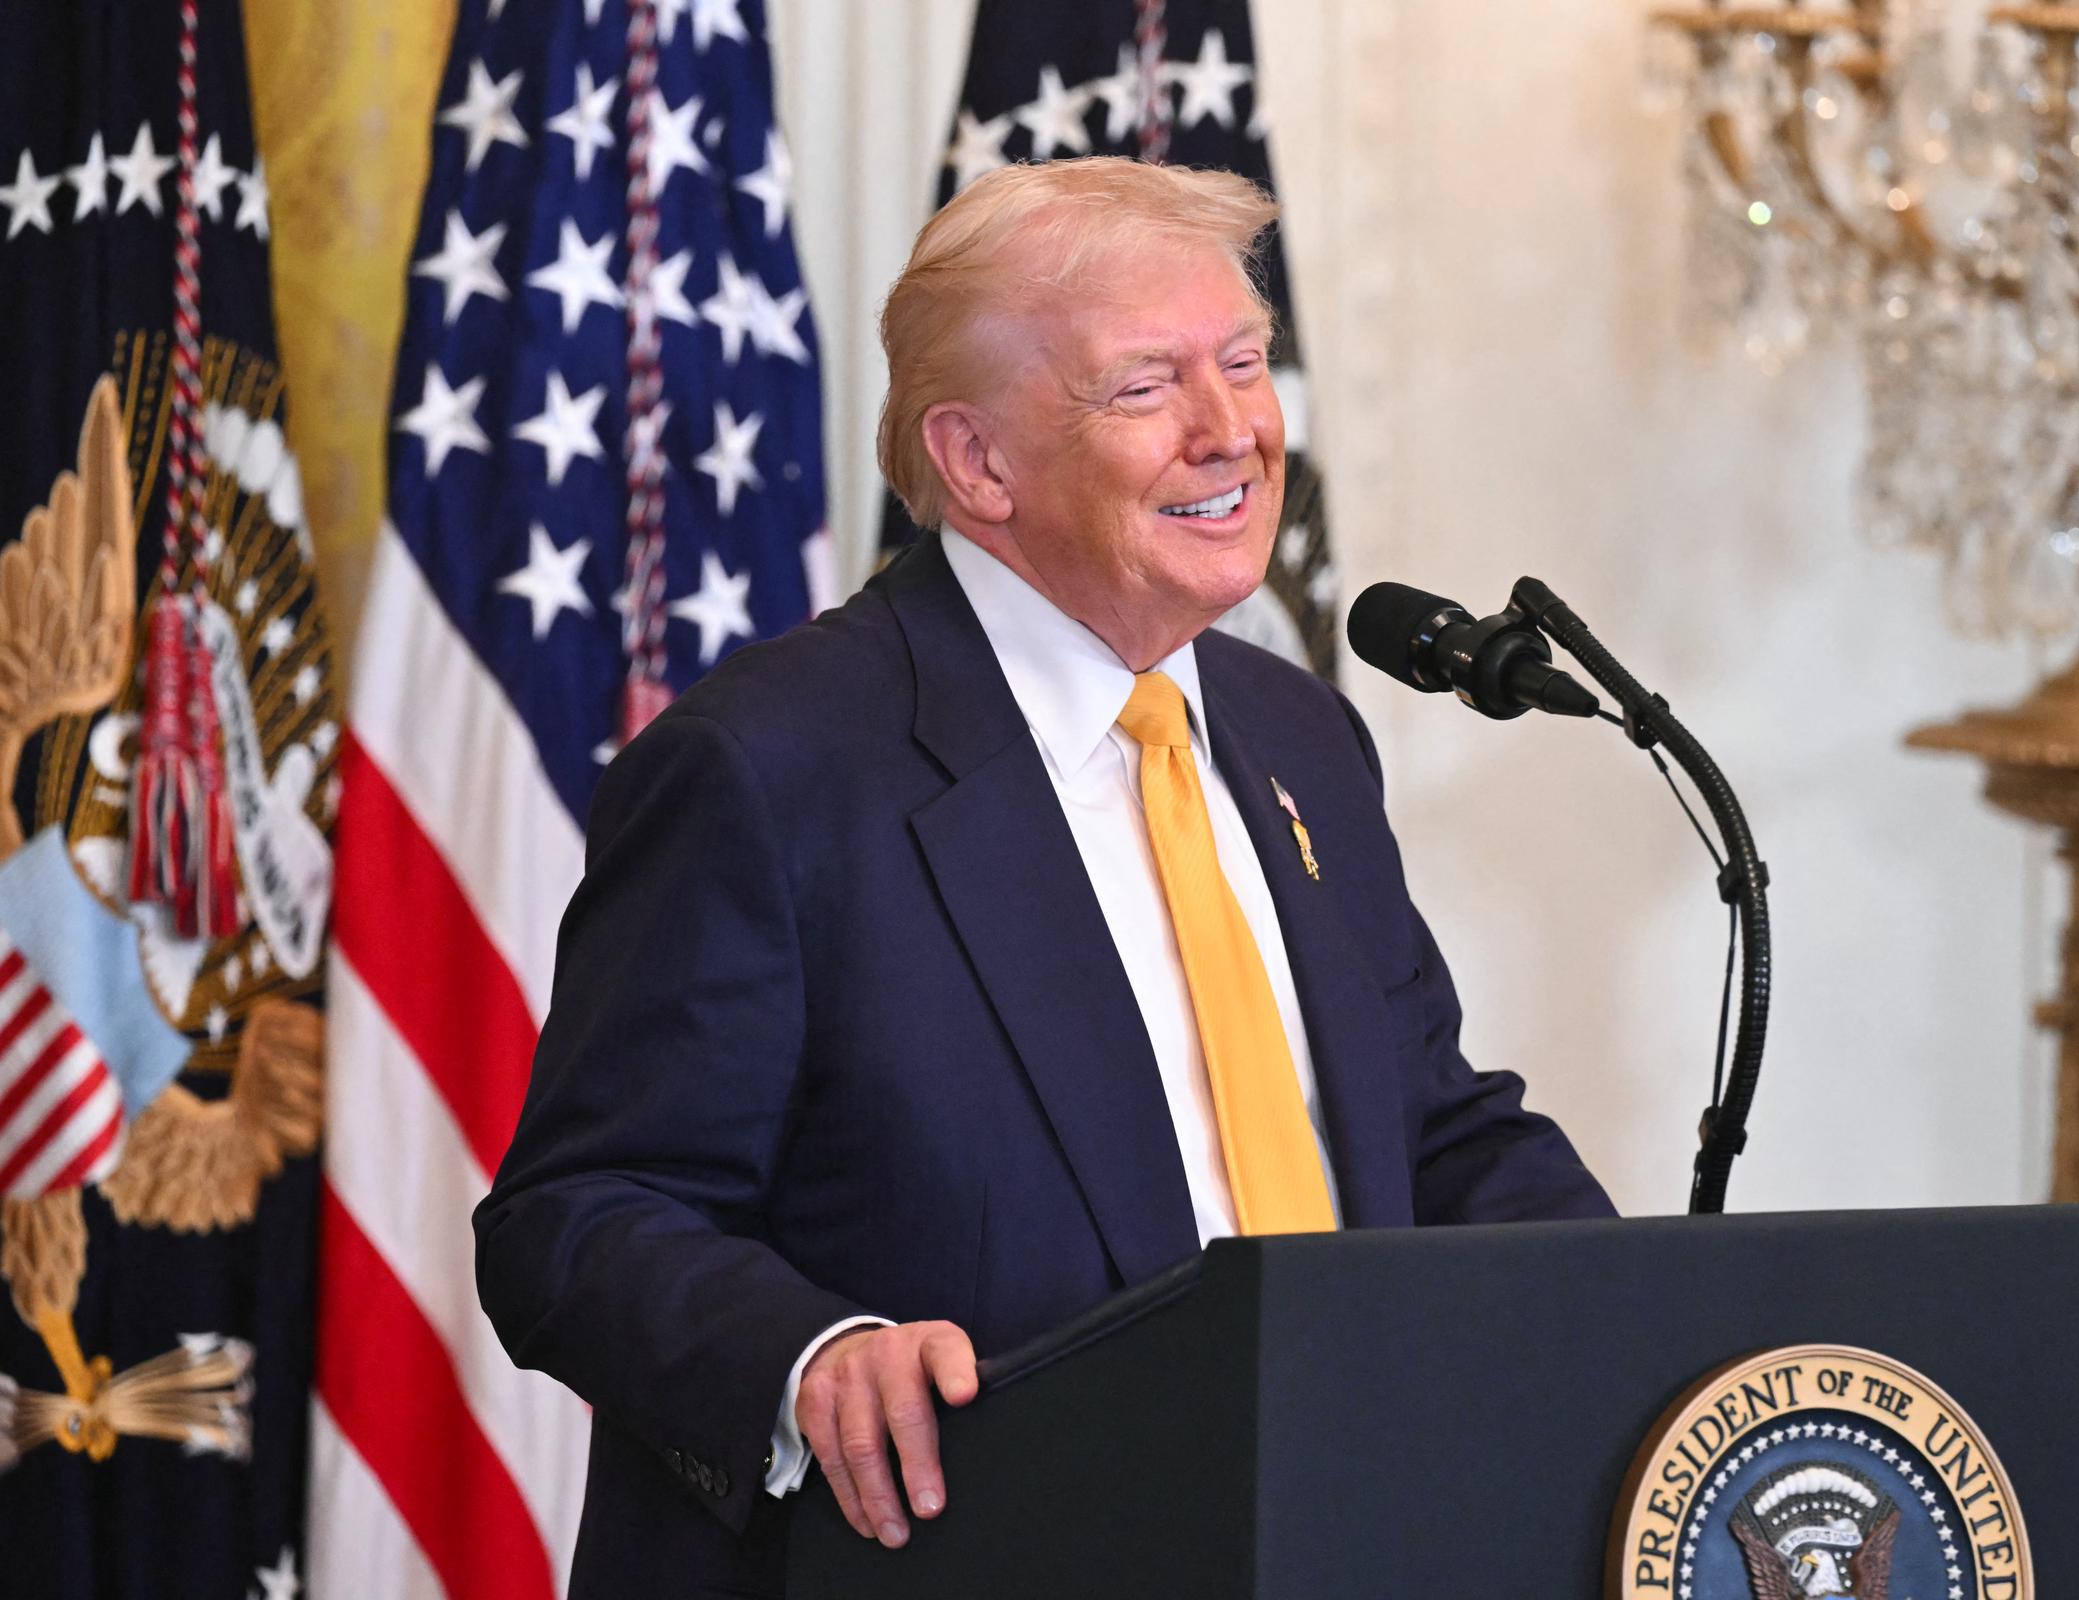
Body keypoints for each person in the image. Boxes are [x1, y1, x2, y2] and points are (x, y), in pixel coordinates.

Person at [473, 156, 1612, 1600]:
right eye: (1146, 388)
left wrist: (1633, 1314)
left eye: (1246, 365)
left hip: (1318, 1537)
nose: (1237, 435)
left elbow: (1424, 1131)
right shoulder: (769, 768)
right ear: (978, 463)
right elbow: (582, 1216)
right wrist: (812, 1359)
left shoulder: (1298, 736)